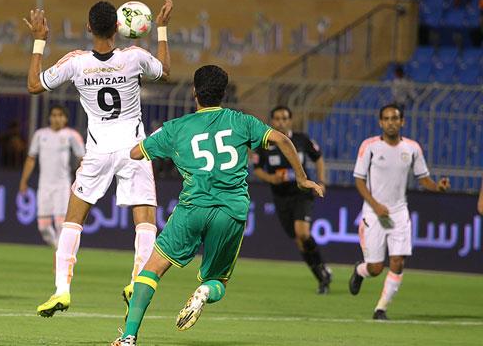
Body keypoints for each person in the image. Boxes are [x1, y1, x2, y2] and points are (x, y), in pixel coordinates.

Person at [111, 65, 324, 346]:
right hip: (231, 210)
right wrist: (302, 178)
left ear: (194, 92)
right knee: (218, 281)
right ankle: (203, 293)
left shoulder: (177, 127)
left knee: (151, 269)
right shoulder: (241, 121)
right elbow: (282, 139)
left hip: (192, 208)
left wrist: (163, 136)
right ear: (224, 94)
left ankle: (128, 337)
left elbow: (137, 153)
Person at [24, 0, 173, 316]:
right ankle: (138, 282)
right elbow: (166, 71)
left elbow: (34, 85)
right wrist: (161, 30)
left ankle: (61, 291)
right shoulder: (135, 57)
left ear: (89, 27)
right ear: (119, 27)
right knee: (144, 222)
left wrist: (40, 39)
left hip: (97, 151)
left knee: (73, 221)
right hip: (135, 149)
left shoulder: (76, 62)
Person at [349, 104, 450, 320]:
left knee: (397, 261)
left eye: (395, 118)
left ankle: (381, 309)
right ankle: (360, 271)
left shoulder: (412, 148)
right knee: (376, 268)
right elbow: (359, 180)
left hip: (398, 213)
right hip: (374, 213)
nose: (391, 122)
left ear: (402, 121)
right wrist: (375, 204)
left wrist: (437, 187)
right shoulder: (370, 146)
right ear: (380, 123)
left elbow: (423, 179)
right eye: (386, 118)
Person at [253, 105, 331, 294]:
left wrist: (321, 181)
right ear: (272, 121)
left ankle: (322, 273)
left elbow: (318, 159)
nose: (281, 122)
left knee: (302, 232)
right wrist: (272, 178)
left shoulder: (301, 140)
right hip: (281, 197)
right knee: (298, 240)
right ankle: (321, 274)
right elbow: (257, 169)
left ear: (290, 120)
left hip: (301, 193)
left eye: (284, 118)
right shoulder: (264, 144)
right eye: (277, 118)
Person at [18, 105, 85, 248]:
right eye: (54, 115)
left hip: (62, 185)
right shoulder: (40, 135)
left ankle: (60, 258)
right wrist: (24, 181)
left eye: (60, 115)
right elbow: (31, 158)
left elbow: (82, 158)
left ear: (65, 118)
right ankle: (58, 248)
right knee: (43, 227)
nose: (56, 119)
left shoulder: (71, 135)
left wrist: (81, 180)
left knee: (61, 224)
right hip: (44, 186)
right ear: (49, 117)